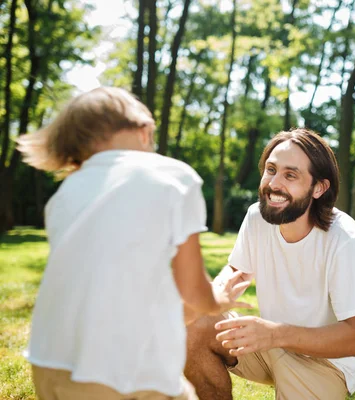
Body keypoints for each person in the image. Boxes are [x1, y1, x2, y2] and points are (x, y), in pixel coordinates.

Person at [17, 87, 250, 400]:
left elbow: (122, 302)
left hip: (49, 363)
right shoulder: (173, 176)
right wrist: (218, 301)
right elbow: (194, 292)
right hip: (122, 372)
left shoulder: (63, 195)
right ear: (144, 130)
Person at [185, 128, 355, 399]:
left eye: (290, 175)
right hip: (265, 345)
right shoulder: (257, 217)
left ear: (319, 188)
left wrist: (276, 335)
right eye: (271, 170)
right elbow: (236, 273)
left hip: (323, 364)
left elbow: (354, 339)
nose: (274, 184)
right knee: (195, 323)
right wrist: (214, 295)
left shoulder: (344, 239)